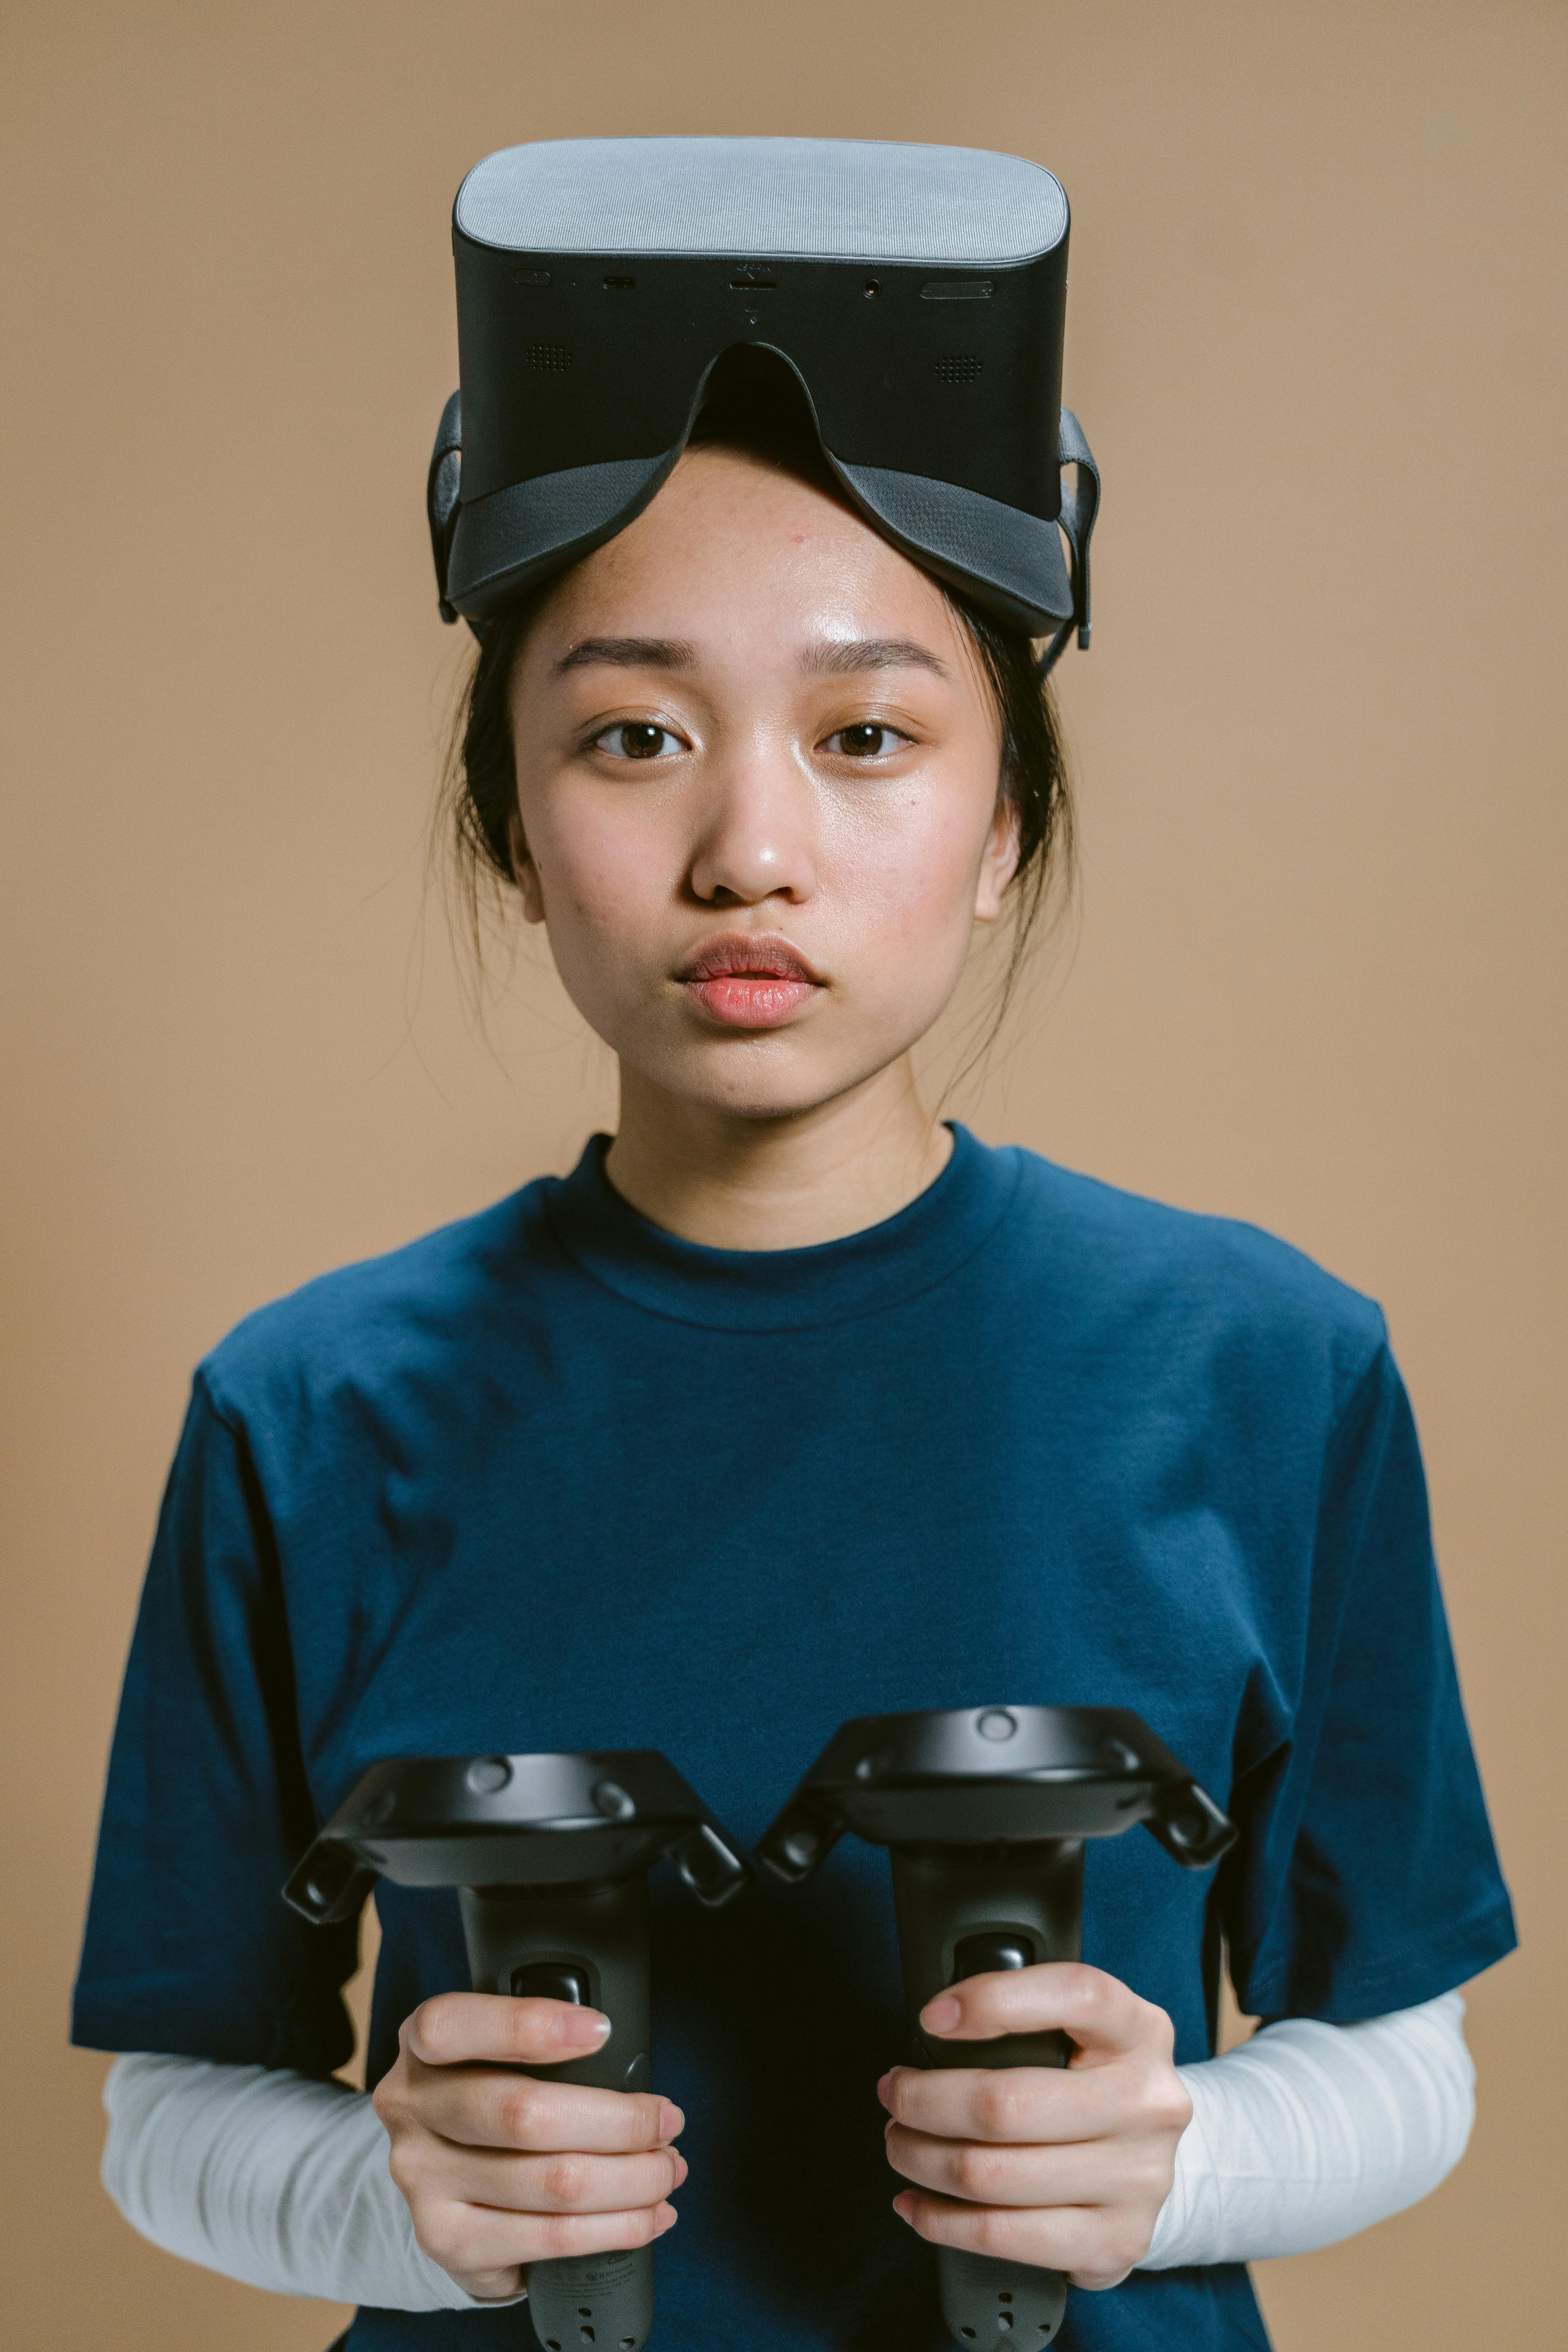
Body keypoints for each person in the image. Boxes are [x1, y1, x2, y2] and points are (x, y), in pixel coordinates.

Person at [73, 347, 1513, 2352]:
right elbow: (172, 2103)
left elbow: (1406, 2060)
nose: (751, 845)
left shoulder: (1267, 1364)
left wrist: (1178, 2157)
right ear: (511, 824)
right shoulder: (306, 1409)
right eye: (638, 734)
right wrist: (400, 2207)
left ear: (1008, 826)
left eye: (864, 734)